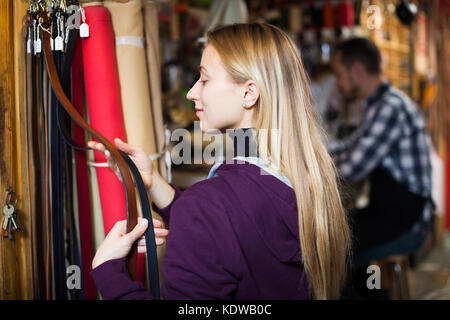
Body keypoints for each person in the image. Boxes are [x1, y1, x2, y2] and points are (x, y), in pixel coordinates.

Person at [88, 23, 351, 300]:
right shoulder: (302, 175)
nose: (192, 93)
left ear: (248, 93)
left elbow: (216, 217)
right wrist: (154, 183)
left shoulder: (209, 206)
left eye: (204, 79)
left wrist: (108, 272)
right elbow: (230, 225)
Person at [329, 38, 432, 297]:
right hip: (392, 212)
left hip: (408, 223)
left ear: (358, 71)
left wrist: (309, 168)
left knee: (333, 249)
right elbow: (349, 147)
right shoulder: (379, 105)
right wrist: (311, 155)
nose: (338, 84)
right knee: (336, 231)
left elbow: (353, 167)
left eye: (339, 74)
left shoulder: (390, 108)